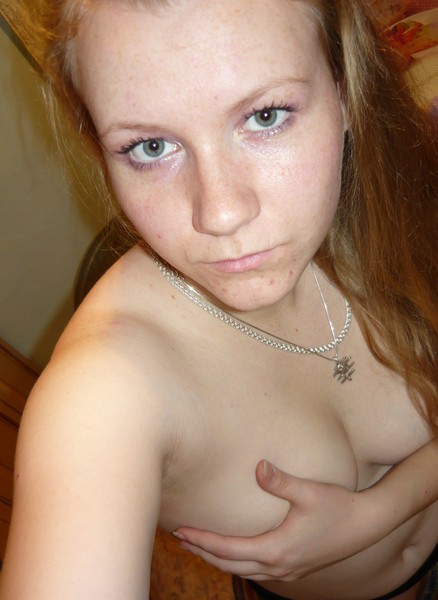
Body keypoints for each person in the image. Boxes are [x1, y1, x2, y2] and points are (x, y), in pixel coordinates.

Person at [1, 1, 437, 599]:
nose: (221, 213)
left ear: (344, 86)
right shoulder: (107, 392)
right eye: (150, 147)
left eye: (265, 115)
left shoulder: (406, 203)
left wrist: (382, 510)